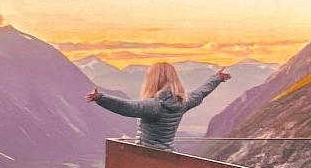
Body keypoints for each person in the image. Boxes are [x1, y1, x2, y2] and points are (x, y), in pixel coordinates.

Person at [86, 61, 231, 151]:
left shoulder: (155, 106)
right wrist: (216, 78)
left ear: (153, 80)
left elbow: (128, 107)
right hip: (168, 154)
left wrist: (101, 98)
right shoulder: (182, 102)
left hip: (148, 157)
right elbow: (200, 93)